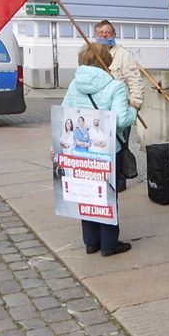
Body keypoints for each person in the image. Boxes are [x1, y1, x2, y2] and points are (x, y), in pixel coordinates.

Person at [62, 43, 137, 257]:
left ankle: (91, 242)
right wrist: (133, 110)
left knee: (86, 193)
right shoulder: (115, 87)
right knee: (107, 196)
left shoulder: (74, 85)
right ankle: (109, 244)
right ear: (106, 61)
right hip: (107, 150)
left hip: (80, 152)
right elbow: (121, 120)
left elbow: (65, 114)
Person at [95, 20, 144, 190]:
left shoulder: (123, 55)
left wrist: (135, 104)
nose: (104, 36)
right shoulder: (91, 53)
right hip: (98, 110)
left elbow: (134, 81)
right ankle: (103, 177)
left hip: (119, 109)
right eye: (100, 33)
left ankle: (120, 179)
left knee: (120, 145)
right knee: (100, 145)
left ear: (114, 34)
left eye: (107, 33)